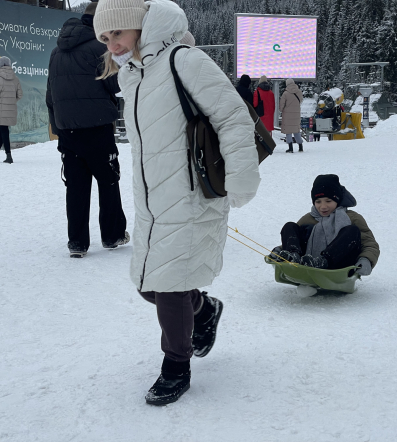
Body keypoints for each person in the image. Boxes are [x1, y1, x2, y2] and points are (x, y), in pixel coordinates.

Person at [94, 0, 260, 405]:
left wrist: (241, 179)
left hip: (190, 195)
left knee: (167, 288)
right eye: (104, 37)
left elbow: (233, 118)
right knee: (150, 286)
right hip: (154, 200)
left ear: (139, 25)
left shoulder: (183, 60)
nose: (112, 43)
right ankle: (203, 311)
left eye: (117, 32)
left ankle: (176, 366)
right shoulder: (132, 75)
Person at [46, 2, 128, 258]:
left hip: (69, 132)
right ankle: (112, 235)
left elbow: (50, 97)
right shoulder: (98, 49)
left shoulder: (55, 53)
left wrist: (59, 128)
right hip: (98, 129)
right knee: (108, 180)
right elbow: (115, 86)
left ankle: (77, 242)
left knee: (76, 187)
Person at [270, 174, 379, 275]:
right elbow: (295, 240)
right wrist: (279, 250)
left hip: (340, 266)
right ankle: (293, 257)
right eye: (318, 202)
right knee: (290, 226)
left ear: (338, 200)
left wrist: (366, 259)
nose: (323, 206)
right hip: (307, 263)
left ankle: (324, 261)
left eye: (328, 201)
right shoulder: (308, 218)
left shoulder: (352, 217)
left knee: (352, 231)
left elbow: (369, 242)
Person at [0, 57, 22, 164]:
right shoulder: (15, 79)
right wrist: (11, 101)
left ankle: (8, 156)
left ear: (0, 65)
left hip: (0, 109)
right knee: (1, 130)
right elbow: (20, 95)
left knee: (4, 131)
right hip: (11, 108)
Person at [280, 78, 304, 153]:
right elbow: (301, 100)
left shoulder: (285, 93)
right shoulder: (299, 92)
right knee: (296, 130)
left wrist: (282, 110)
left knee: (288, 131)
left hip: (287, 115)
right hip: (296, 114)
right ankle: (300, 146)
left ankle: (290, 147)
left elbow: (281, 106)